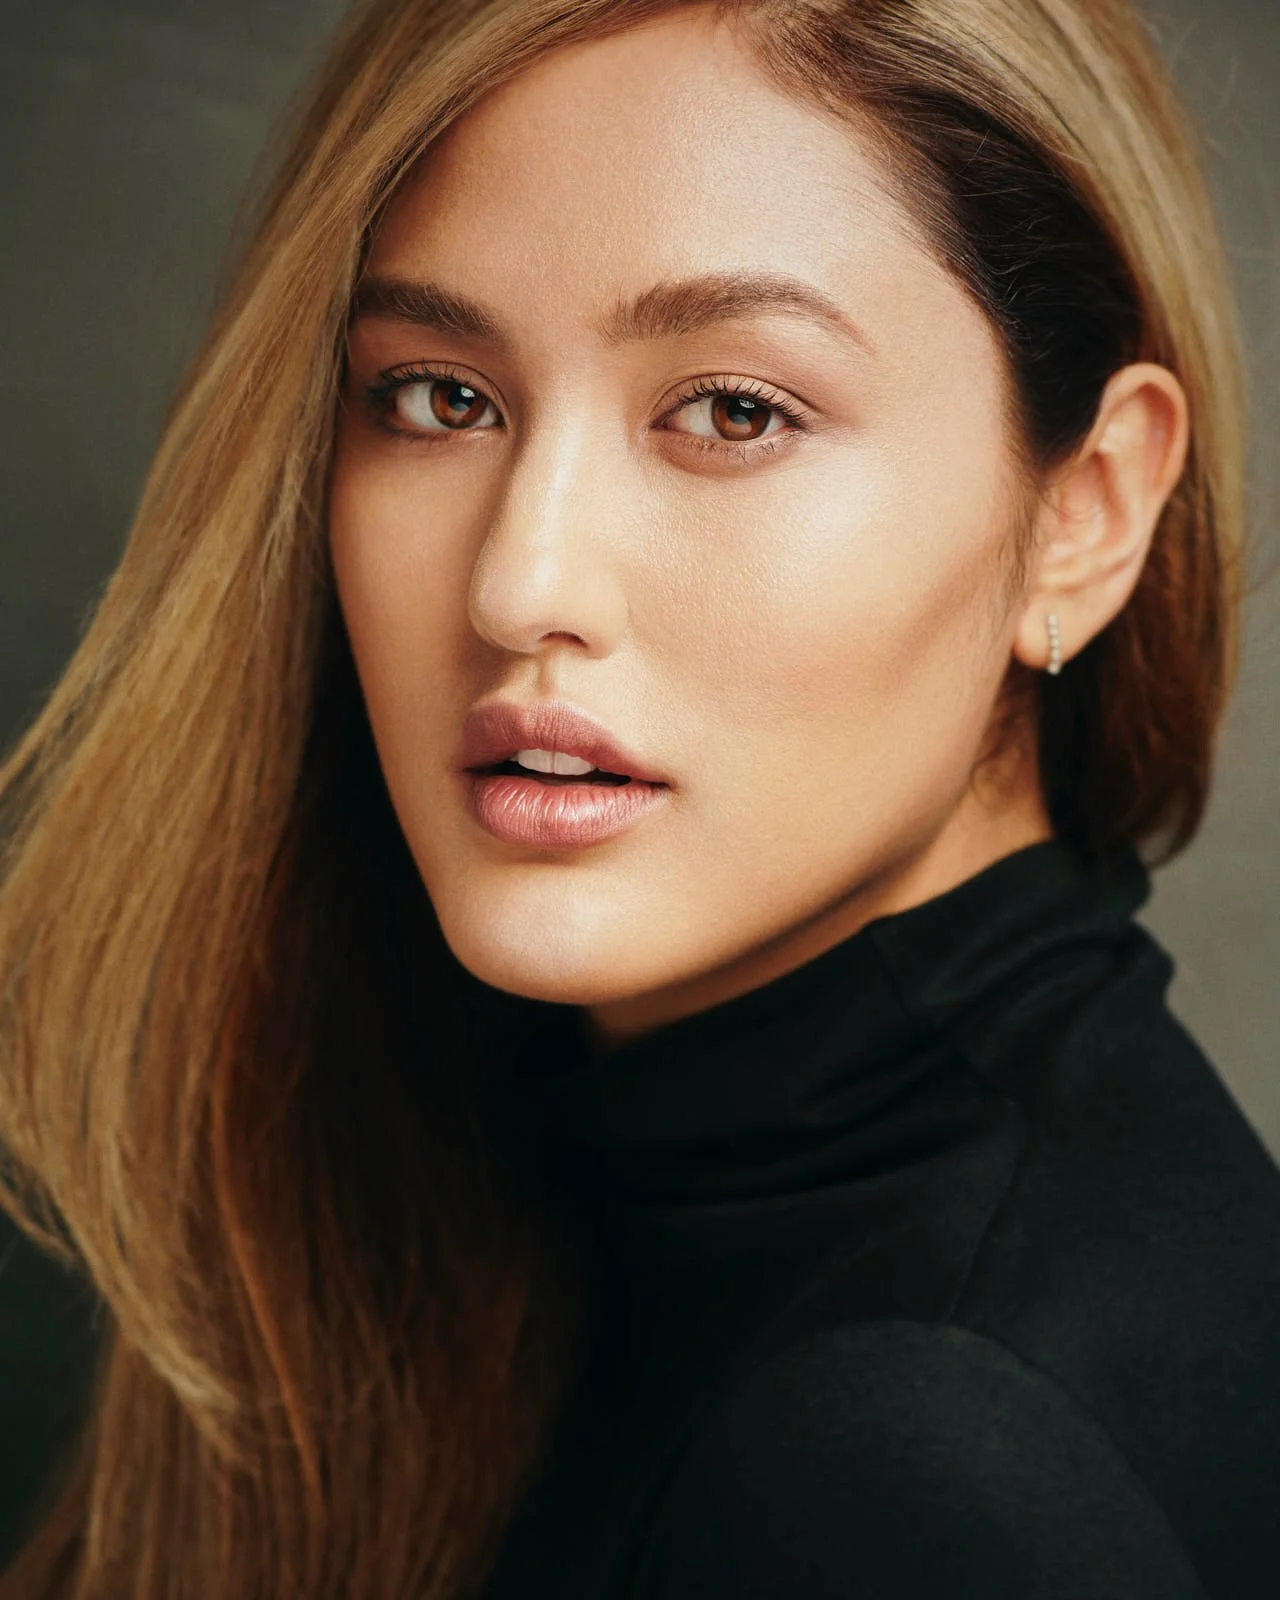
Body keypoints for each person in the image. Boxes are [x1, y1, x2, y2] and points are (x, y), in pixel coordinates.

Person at [0, 0, 1277, 1594]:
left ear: (1083, 515)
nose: (520, 580)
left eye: (735, 411)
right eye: (437, 398)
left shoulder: (919, 1466)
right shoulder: (507, 1164)